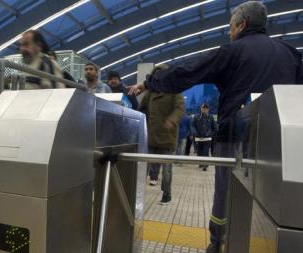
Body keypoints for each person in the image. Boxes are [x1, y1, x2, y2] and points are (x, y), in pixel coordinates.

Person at [129, 2, 302, 252]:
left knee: (226, 192)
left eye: (230, 27)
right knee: (276, 197)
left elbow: (188, 71)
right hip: (282, 143)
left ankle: (218, 241)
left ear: (242, 25)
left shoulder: (233, 51)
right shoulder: (291, 54)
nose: (229, 32)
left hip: (235, 135)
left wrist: (150, 82)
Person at [139, 64, 185, 204]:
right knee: (143, 167)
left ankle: (167, 194)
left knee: (167, 170)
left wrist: (172, 119)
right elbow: (141, 109)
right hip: (151, 137)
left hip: (167, 138)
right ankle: (138, 192)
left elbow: (180, 108)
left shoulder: (174, 91)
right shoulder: (150, 93)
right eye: (156, 75)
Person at [192, 103, 217, 171]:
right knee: (199, 152)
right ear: (201, 109)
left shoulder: (211, 117)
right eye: (203, 108)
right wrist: (195, 132)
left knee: (205, 151)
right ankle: (201, 163)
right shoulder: (196, 117)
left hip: (207, 138)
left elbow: (214, 127)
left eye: (206, 109)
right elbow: (193, 126)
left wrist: (211, 133)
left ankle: (205, 164)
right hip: (198, 138)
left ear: (208, 109)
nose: (204, 110)